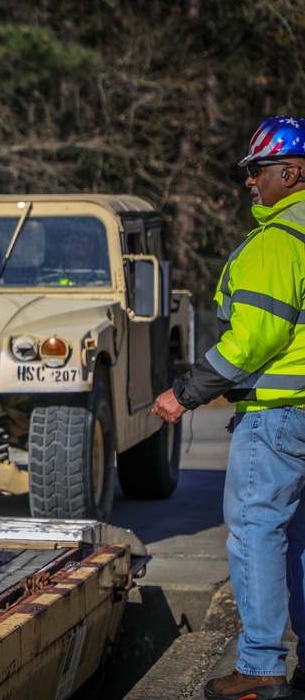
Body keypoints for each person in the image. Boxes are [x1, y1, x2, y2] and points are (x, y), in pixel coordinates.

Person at [153, 115, 305, 700]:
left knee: (255, 532)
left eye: (258, 169)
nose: (249, 182)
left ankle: (262, 668)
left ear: (292, 172)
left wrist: (185, 391)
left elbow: (253, 340)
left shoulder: (278, 242)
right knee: (302, 539)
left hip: (277, 414)